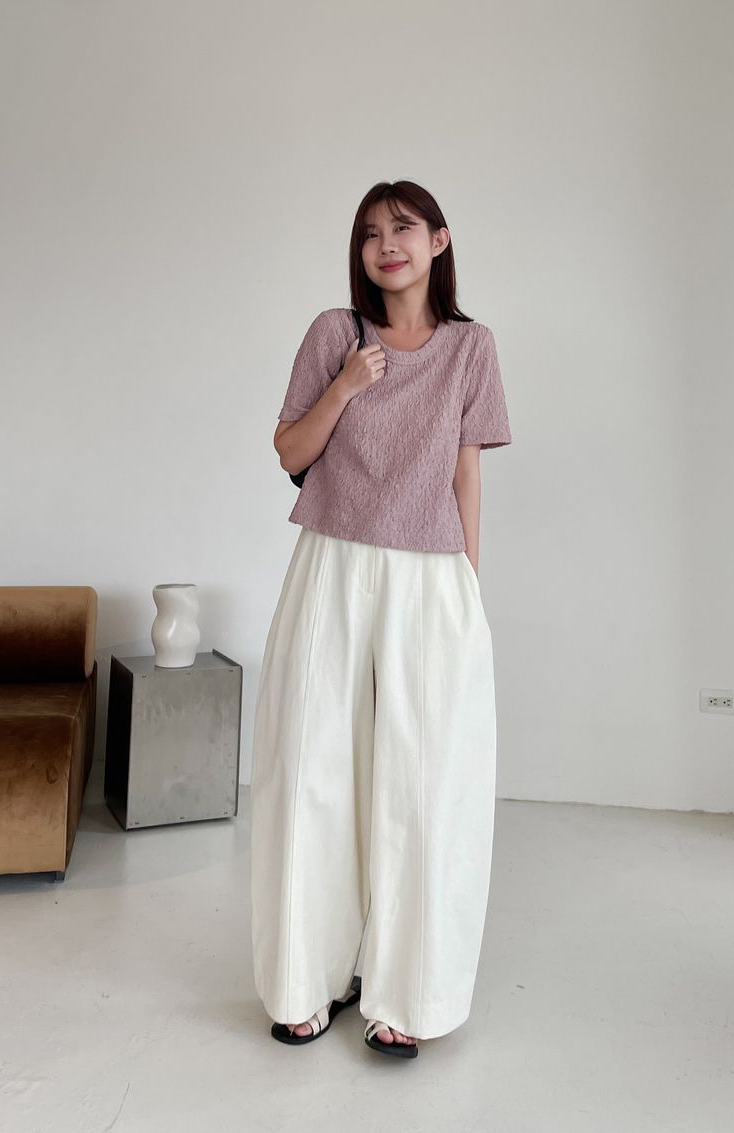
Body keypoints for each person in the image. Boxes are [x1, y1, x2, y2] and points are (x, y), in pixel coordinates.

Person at [250, 179, 512, 1060]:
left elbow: (467, 473)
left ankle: (407, 992)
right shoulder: (337, 333)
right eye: (369, 232)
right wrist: (346, 385)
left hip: (431, 575)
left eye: (403, 227)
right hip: (331, 563)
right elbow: (290, 451)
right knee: (310, 767)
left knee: (422, 781)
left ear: (439, 240)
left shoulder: (472, 347)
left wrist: (468, 589)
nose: (385, 244)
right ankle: (306, 980)